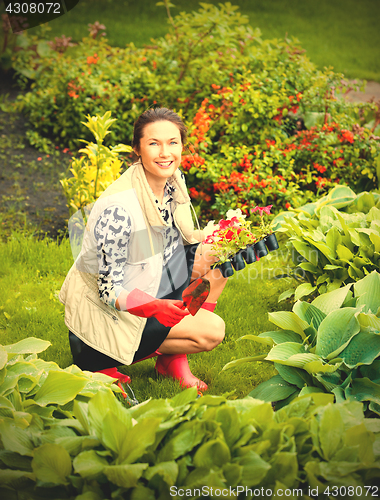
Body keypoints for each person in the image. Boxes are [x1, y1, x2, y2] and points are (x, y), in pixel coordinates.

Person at [59, 108, 228, 392]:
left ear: (182, 146)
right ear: (137, 149)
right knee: (212, 330)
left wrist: (226, 241)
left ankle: (173, 361)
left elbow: (179, 244)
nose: (165, 153)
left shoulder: (172, 185)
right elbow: (107, 289)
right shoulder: (119, 208)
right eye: (154, 143)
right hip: (104, 319)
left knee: (220, 260)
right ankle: (102, 362)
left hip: (147, 285)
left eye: (173, 142)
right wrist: (157, 307)